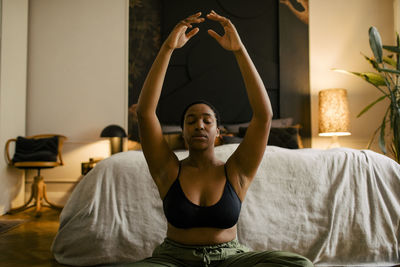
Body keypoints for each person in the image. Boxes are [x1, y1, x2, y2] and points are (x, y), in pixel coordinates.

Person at [134, 10, 313, 267]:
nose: (199, 125)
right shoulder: (168, 169)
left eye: (208, 120)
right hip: (174, 259)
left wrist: (239, 50)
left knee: (299, 265)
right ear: (182, 132)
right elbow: (144, 113)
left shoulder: (237, 170)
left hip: (229, 258)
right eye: (191, 120)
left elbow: (264, 116)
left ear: (219, 132)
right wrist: (167, 49)